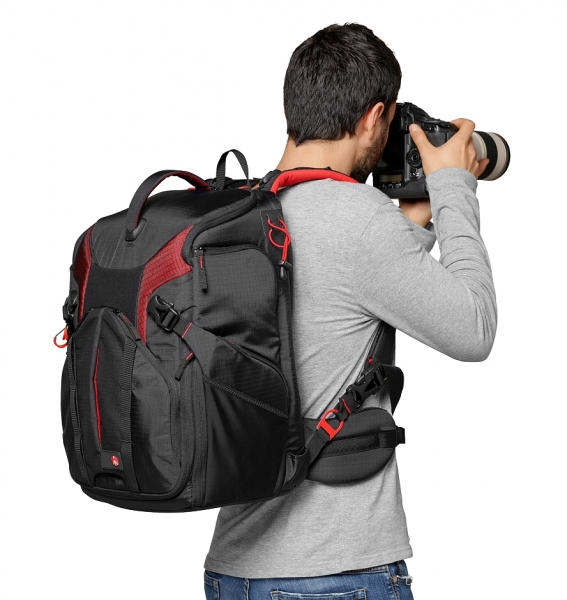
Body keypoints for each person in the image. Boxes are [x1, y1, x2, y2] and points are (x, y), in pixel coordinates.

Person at [203, 23, 497, 600]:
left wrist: (409, 226)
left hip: (234, 570)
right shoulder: (359, 219)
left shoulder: (242, 210)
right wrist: (454, 188)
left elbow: (344, 297)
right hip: (333, 574)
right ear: (373, 117)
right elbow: (475, 328)